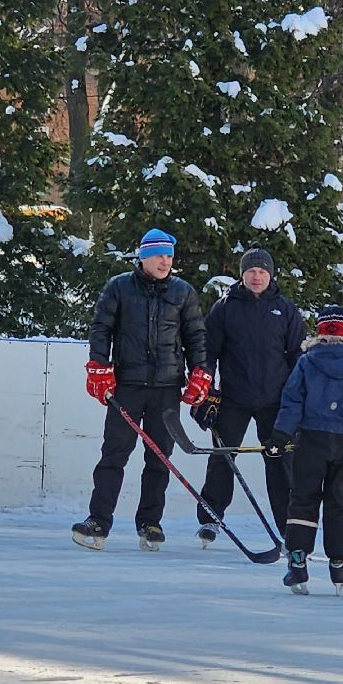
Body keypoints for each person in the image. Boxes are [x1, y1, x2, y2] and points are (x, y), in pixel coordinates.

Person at [73, 227, 211, 552]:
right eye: (159, 255)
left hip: (166, 388)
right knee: (114, 455)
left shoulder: (183, 292)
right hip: (127, 386)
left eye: (169, 256)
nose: (165, 261)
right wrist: (98, 365)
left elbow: (195, 337)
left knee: (159, 458)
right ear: (144, 257)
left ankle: (150, 522)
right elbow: (101, 327)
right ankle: (98, 520)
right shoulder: (119, 287)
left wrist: (201, 373)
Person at [266, 305, 343, 594]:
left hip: (310, 441)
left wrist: (279, 437)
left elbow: (292, 402)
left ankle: (297, 561)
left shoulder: (307, 363)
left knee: (304, 499)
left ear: (320, 333)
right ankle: (339, 562)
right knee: (340, 501)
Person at [192, 246, 305, 546]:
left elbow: (297, 356)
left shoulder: (286, 309)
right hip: (233, 398)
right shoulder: (225, 307)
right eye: (251, 271)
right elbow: (209, 352)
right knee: (222, 457)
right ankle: (211, 518)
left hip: (275, 401)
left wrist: (299, 399)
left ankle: (288, 526)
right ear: (242, 275)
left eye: (262, 271)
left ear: (271, 275)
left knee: (280, 462)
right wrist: (207, 392)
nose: (257, 277)